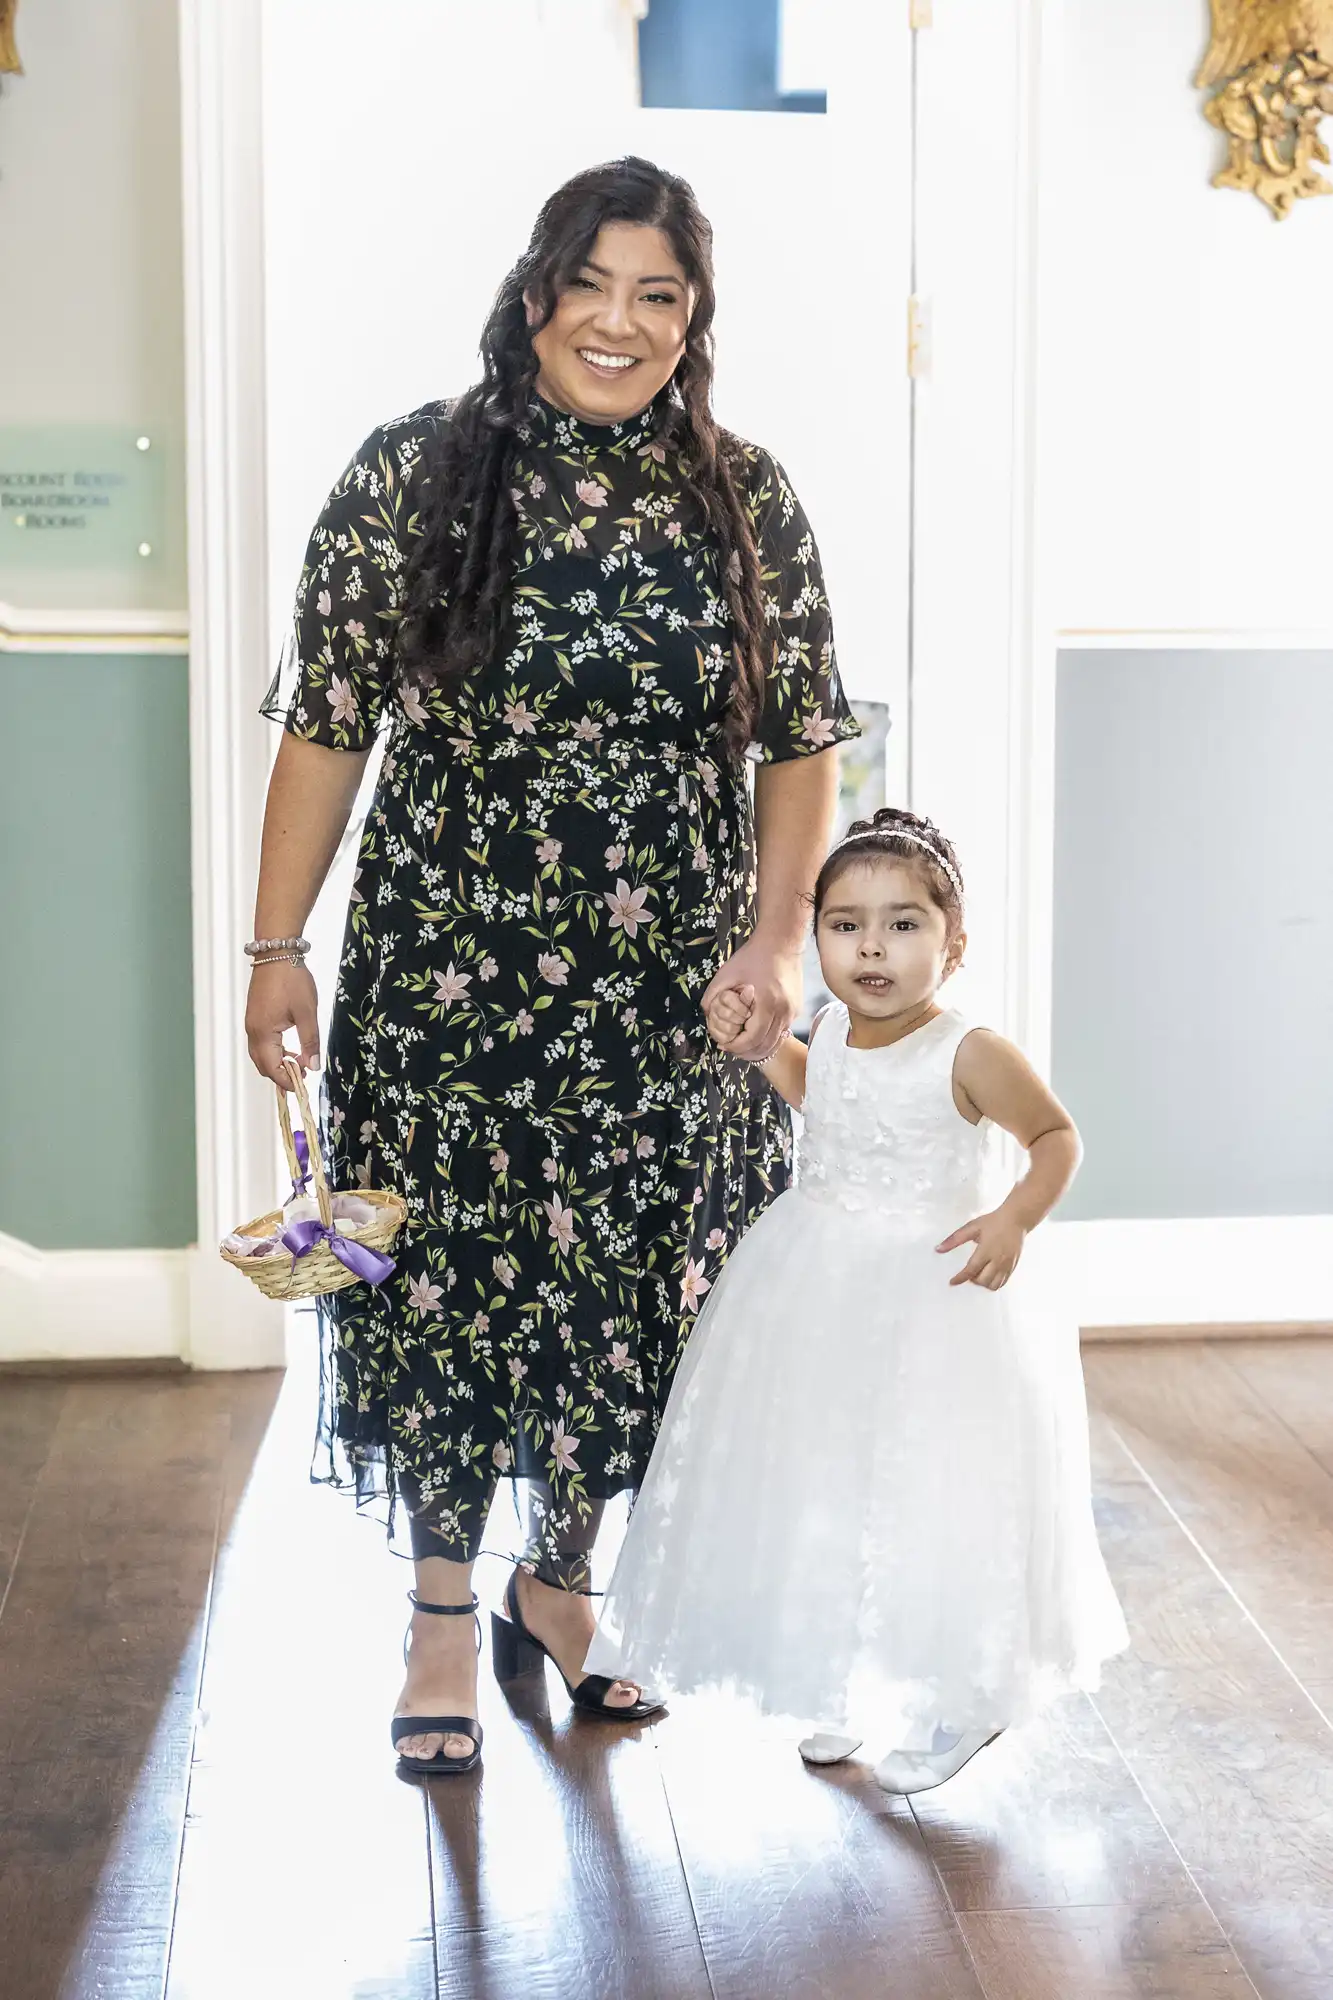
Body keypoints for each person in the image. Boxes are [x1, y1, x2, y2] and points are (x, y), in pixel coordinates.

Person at [244, 156, 859, 1776]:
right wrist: (274, 947)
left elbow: (801, 746)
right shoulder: (410, 475)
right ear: (534, 294)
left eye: (659, 295)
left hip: (667, 985)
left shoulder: (744, 496)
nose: (620, 321)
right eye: (593, 284)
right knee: (441, 1286)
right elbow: (326, 730)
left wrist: (778, 938)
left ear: (692, 322)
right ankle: (440, 1617)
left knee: (618, 1290)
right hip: (447, 973)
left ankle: (561, 1584)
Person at [585, 807, 1128, 1793]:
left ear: (952, 945)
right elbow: (823, 1092)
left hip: (935, 1286)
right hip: (821, 1278)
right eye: (844, 924)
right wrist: (763, 1049)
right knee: (831, 1476)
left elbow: (1056, 1137)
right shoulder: (831, 1024)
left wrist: (1013, 1217)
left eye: (903, 923)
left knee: (934, 1486)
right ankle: (850, 1675)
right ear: (820, 936)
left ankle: (962, 1692)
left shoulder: (970, 1050)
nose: (871, 944)